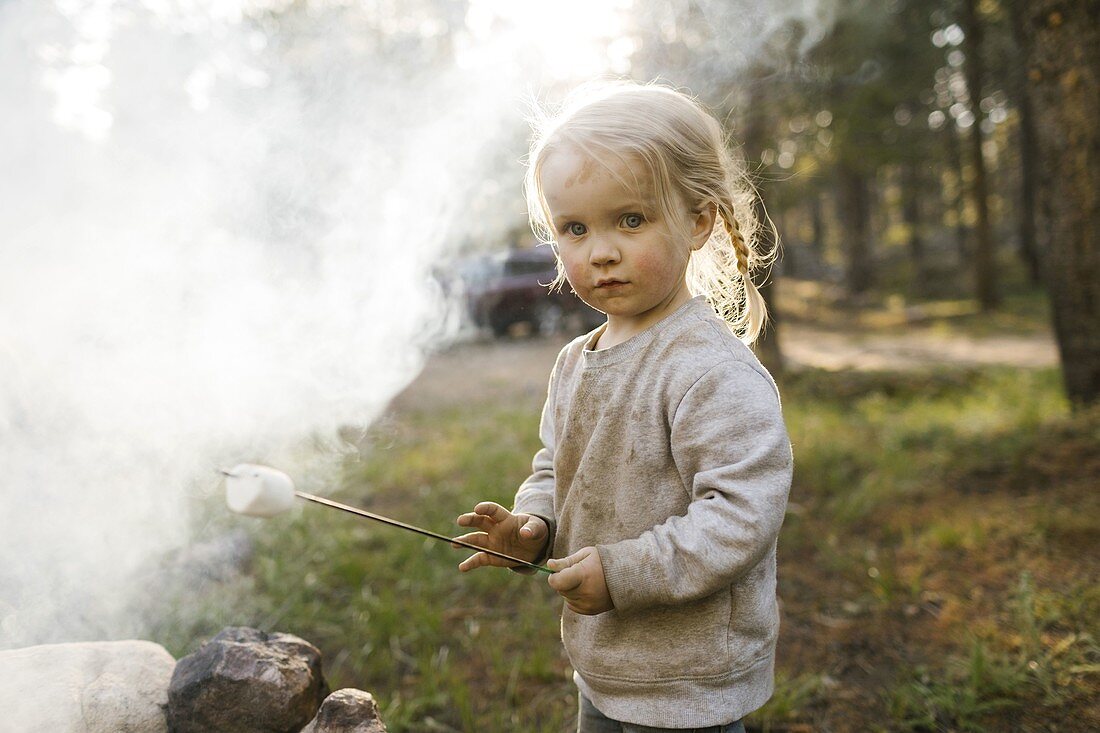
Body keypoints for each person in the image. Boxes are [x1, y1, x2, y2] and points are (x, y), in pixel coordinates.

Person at [455, 81, 793, 733]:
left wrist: (623, 570)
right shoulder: (575, 361)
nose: (600, 250)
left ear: (697, 221)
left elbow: (742, 515)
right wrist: (533, 525)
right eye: (574, 228)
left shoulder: (708, 369)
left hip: (691, 678)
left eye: (629, 220)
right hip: (606, 667)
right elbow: (558, 467)